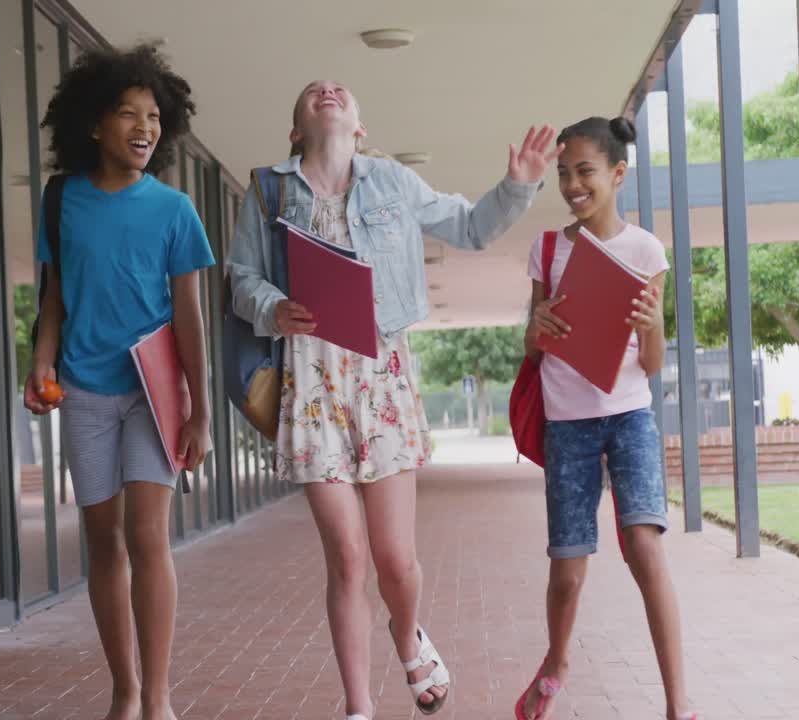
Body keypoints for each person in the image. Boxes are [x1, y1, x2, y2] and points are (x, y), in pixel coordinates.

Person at [227, 79, 560, 720]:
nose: (328, 90)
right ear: (297, 129)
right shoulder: (268, 191)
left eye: (341, 89)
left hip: (383, 380)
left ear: (361, 126)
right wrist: (274, 307)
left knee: (394, 561)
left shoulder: (393, 182)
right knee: (348, 558)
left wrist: (517, 184)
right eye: (313, 90)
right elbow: (241, 278)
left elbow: (468, 225)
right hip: (312, 384)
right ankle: (358, 707)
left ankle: (406, 635)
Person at [24, 45, 214, 720]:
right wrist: (40, 363)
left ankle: (158, 697)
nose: (145, 126)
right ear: (95, 126)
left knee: (147, 535)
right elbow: (55, 297)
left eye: (155, 115)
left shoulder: (175, 211)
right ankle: (124, 689)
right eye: (129, 113)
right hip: (84, 389)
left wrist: (200, 411)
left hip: (152, 393)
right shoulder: (62, 201)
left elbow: (189, 316)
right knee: (102, 541)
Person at [515, 116, 697, 720]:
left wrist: (652, 327)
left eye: (585, 171)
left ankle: (678, 705)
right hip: (568, 424)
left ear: (618, 174)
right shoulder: (549, 249)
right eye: (564, 174)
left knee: (644, 548)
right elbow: (531, 346)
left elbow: (649, 363)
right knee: (567, 572)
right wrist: (536, 332)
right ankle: (557, 661)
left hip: (629, 418)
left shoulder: (646, 250)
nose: (572, 184)